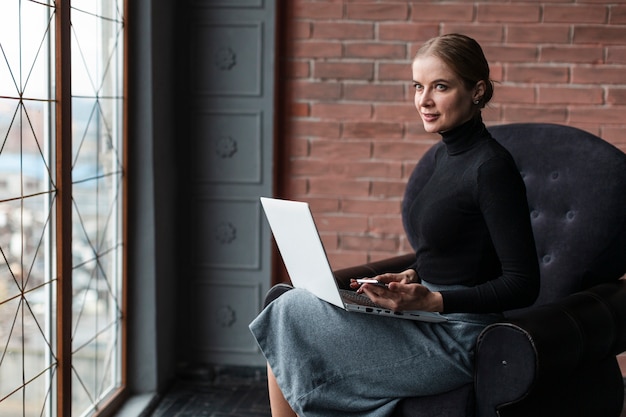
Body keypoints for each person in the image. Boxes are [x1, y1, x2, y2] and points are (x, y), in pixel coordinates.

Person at [249, 33, 540, 417]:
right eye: (418, 86)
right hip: (423, 315)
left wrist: (437, 300)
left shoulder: (491, 168)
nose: (424, 100)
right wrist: (412, 274)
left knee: (290, 316)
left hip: (460, 333)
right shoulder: (443, 157)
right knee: (290, 309)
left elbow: (523, 284)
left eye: (441, 86)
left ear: (477, 90)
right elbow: (459, 250)